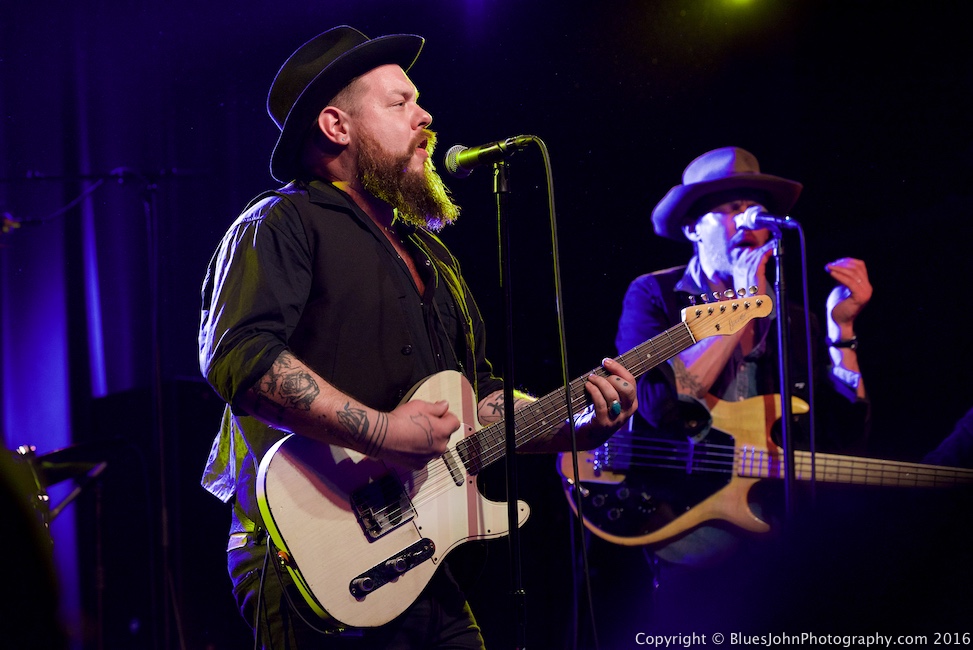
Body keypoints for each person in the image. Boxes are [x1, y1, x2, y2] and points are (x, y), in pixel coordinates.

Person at [197, 26, 637, 649]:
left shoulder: (432, 256)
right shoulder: (282, 222)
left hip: (427, 566)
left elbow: (476, 398)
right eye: (400, 103)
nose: (426, 115)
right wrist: (384, 431)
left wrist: (570, 425)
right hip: (311, 559)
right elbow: (241, 357)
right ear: (336, 127)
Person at [589, 146, 873, 638]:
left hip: (773, 535)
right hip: (689, 525)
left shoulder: (789, 318)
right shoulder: (655, 296)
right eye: (730, 209)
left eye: (755, 210)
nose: (749, 224)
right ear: (693, 228)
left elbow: (842, 439)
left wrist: (839, 335)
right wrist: (738, 311)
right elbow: (662, 410)